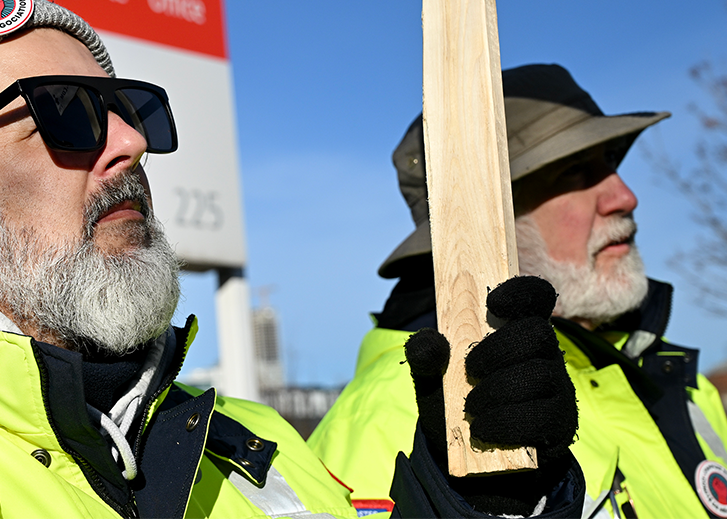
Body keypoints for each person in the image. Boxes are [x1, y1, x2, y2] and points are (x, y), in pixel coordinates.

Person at [0, 0, 584, 518]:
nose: (130, 143)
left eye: (130, 109)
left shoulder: (248, 441)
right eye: (64, 113)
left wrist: (476, 504)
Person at [309, 63, 727, 519]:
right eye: (573, 172)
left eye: (609, 162)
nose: (624, 196)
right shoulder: (401, 411)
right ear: (486, 229)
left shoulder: (673, 379)